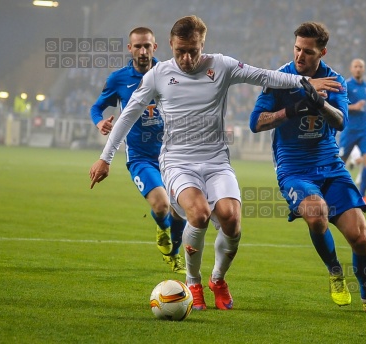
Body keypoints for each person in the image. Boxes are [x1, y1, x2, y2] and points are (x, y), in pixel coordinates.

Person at [89, 15, 341, 311]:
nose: (186, 58)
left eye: (193, 51)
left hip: (216, 161)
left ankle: (217, 279)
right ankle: (193, 282)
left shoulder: (220, 65)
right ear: (170, 45)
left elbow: (265, 76)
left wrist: (305, 81)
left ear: (203, 45)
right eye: (179, 50)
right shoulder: (158, 75)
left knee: (232, 219)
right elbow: (129, 114)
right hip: (177, 162)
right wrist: (105, 158)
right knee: (198, 213)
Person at [249, 22, 366, 315]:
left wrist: (320, 105)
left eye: (308, 52)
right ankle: (335, 271)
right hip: (294, 169)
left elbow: (341, 122)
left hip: (331, 166)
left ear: (322, 52)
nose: (300, 56)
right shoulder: (279, 78)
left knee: (361, 238)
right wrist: (295, 108)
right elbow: (256, 123)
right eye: (297, 49)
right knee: (316, 215)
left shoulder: (336, 80)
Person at [90, 27, 187, 274]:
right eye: (137, 46)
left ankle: (174, 252)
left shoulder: (170, 73)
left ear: (155, 47)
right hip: (141, 157)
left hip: (172, 155)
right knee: (163, 205)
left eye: (147, 46)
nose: (143, 51)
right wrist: (100, 121)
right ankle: (162, 231)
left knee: (182, 211)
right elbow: (97, 107)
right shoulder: (119, 79)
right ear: (130, 49)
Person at [339, 58, 366, 210]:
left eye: (361, 66)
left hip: (364, 130)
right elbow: (340, 105)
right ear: (351, 68)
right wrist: (354, 107)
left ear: (364, 69)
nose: (358, 69)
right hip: (349, 130)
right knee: (339, 163)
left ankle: (362, 196)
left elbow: (363, 106)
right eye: (356, 66)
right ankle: (335, 194)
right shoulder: (346, 85)